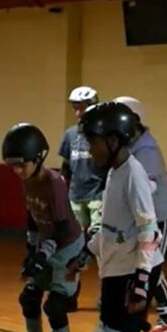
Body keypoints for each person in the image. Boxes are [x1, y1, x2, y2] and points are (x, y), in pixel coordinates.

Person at [69, 101, 165, 332]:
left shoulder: (134, 174)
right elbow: (109, 226)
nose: (89, 149)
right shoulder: (114, 172)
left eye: (93, 142)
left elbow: (148, 228)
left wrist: (141, 284)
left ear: (113, 141)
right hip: (116, 265)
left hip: (133, 268)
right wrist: (86, 252)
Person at [0, 123, 85, 332]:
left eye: (21, 165)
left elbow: (61, 229)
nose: (17, 172)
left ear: (39, 158)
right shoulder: (29, 181)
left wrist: (42, 255)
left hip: (68, 248)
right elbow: (33, 218)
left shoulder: (54, 183)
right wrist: (30, 250)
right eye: (13, 166)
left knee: (55, 306)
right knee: (29, 298)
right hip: (48, 245)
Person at [113, 96, 167, 332]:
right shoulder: (126, 146)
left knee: (152, 265)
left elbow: (148, 187)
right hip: (138, 219)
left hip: (159, 217)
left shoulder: (146, 149)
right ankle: (133, 312)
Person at [59, 86, 101, 310]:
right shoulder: (70, 135)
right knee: (72, 247)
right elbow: (65, 167)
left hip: (97, 195)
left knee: (101, 247)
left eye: (82, 108)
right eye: (75, 109)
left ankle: (108, 296)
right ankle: (70, 294)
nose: (78, 113)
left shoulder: (101, 134)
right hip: (76, 196)